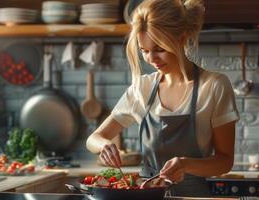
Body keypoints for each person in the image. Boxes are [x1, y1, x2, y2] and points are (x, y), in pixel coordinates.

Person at [86, 0, 240, 197]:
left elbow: (225, 161)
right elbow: (93, 139)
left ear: (182, 39)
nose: (151, 59)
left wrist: (186, 164)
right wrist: (104, 146)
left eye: (159, 49)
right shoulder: (142, 88)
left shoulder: (214, 86)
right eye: (144, 50)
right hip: (145, 195)